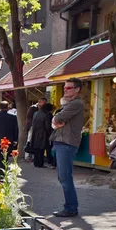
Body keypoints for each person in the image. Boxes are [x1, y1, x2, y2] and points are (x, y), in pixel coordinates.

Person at [50, 78, 86, 218]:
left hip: (66, 143)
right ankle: (70, 207)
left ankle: (71, 208)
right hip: (61, 142)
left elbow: (57, 119)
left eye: (69, 88)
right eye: (65, 87)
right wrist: (56, 121)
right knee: (63, 177)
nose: (65, 90)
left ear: (77, 89)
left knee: (65, 177)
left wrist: (56, 121)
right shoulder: (69, 104)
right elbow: (54, 121)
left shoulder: (76, 104)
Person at [30, 103, 53, 168]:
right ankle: (40, 164)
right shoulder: (46, 115)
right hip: (43, 133)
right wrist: (50, 133)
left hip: (35, 132)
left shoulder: (36, 113)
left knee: (36, 148)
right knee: (41, 149)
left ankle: (36, 163)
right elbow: (47, 126)